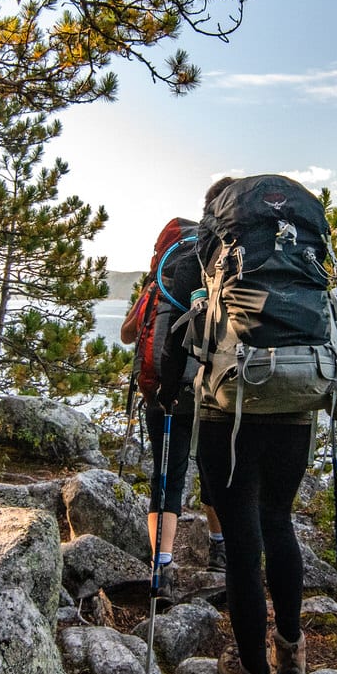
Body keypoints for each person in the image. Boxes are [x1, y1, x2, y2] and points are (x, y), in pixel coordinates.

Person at [159, 177, 312, 674]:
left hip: (229, 409)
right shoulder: (294, 244)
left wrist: (166, 393)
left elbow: (170, 335)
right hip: (296, 401)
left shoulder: (202, 249)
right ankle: (291, 654)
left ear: (215, 211)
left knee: (244, 538)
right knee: (279, 519)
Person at [121, 232, 227, 577]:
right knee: (215, 472)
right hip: (210, 393)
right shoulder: (219, 283)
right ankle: (218, 549)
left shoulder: (156, 288)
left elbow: (127, 333)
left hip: (162, 392)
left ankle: (161, 567)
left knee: (167, 477)